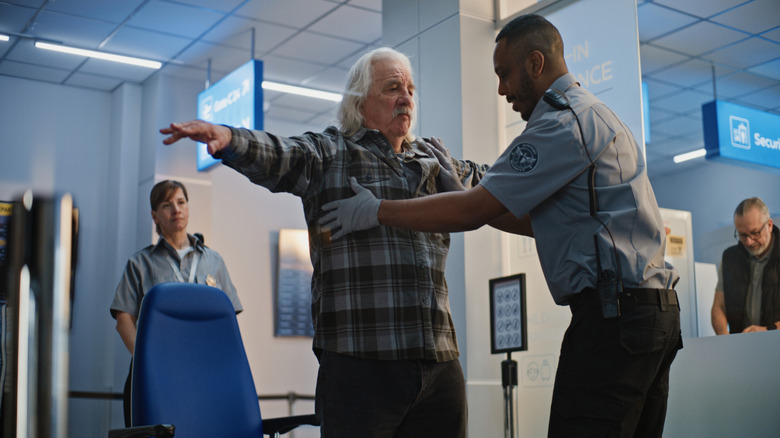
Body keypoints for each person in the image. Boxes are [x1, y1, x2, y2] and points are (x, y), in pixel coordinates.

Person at [319, 15, 683, 438]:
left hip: (614, 320)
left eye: (504, 74)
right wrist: (473, 198)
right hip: (651, 316)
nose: (501, 90)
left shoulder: (560, 123)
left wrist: (378, 211)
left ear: (534, 63)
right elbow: (540, 224)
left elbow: (473, 209)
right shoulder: (596, 114)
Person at [160, 47, 489, 437]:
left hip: (438, 363)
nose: (406, 97)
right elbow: (282, 155)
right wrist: (230, 138)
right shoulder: (332, 153)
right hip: (361, 364)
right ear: (360, 101)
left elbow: (503, 186)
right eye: (392, 88)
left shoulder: (434, 160)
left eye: (410, 88)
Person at [110, 179, 242, 426]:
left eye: (181, 202)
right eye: (167, 205)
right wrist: (145, 361)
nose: (176, 210)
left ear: (188, 208)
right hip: (155, 374)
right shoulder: (140, 263)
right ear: (155, 215)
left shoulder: (213, 261)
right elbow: (123, 318)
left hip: (205, 372)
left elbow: (228, 318)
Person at [711, 197, 780, 335]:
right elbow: (719, 307)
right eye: (742, 235)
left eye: (755, 233)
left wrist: (766, 331)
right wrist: (726, 340)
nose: (748, 242)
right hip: (740, 348)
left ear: (769, 225)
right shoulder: (730, 258)